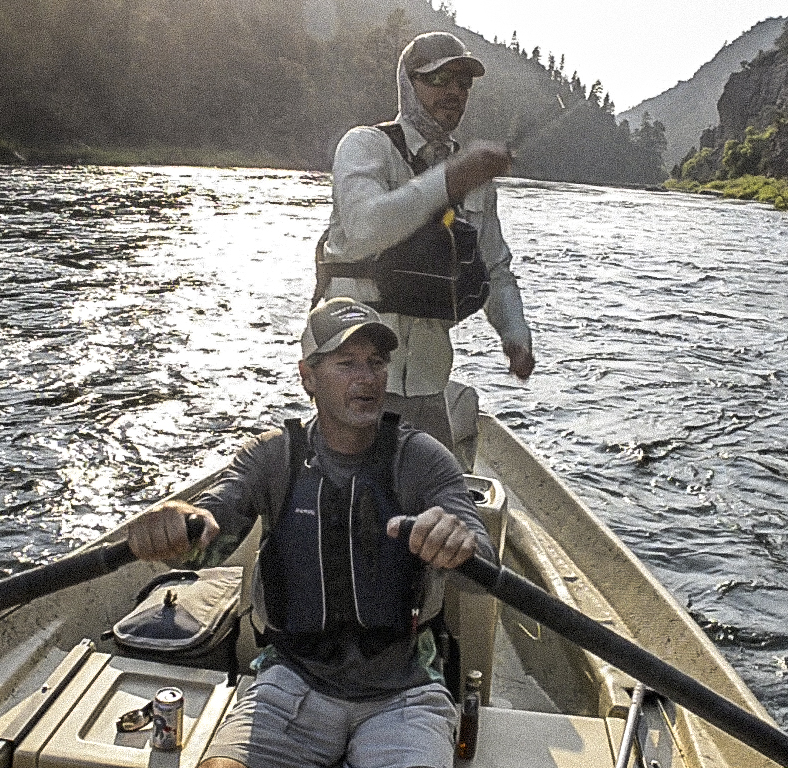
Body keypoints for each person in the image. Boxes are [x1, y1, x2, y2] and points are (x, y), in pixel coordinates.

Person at [125, 296, 494, 768]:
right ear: (308, 376)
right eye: (346, 363)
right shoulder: (271, 457)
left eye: (376, 363)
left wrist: (459, 541)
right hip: (290, 682)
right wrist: (179, 525)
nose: (367, 378)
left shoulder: (423, 458)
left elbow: (482, 559)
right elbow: (208, 534)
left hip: (403, 696)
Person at [314, 31, 535, 452]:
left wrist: (515, 334)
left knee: (439, 503)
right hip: (353, 381)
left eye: (462, 83)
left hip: (428, 385)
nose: (453, 91)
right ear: (407, 83)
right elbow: (364, 227)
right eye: (438, 80)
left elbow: (495, 269)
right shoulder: (364, 145)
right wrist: (451, 178)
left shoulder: (472, 178)